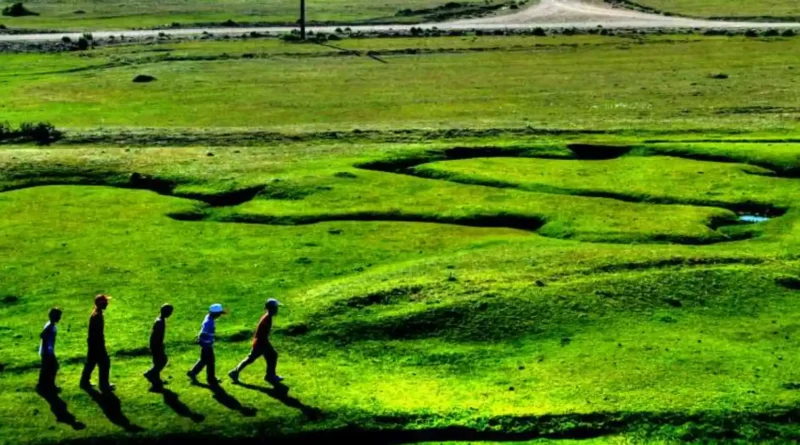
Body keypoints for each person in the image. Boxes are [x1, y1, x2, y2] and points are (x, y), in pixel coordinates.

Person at [228, 299, 283, 385]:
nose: (277, 310)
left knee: (266, 356)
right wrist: (266, 345)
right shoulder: (267, 318)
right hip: (261, 343)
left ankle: (270, 375)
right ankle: (270, 376)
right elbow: (262, 335)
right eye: (276, 308)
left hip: (261, 342)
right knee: (270, 355)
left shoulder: (268, 317)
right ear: (271, 308)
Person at [80, 294, 114, 392]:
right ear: (101, 304)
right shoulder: (97, 316)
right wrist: (101, 345)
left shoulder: (96, 313)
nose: (107, 303)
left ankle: (84, 382)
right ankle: (104, 385)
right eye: (105, 302)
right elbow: (98, 333)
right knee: (105, 363)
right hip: (97, 344)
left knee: (91, 363)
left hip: (93, 343)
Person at [187, 304, 226, 386]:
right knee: (211, 361)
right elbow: (203, 333)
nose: (220, 315)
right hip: (206, 345)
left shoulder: (209, 317)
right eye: (219, 313)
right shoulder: (209, 322)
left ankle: (192, 372)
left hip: (206, 343)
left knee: (204, 360)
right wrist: (204, 342)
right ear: (215, 314)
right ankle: (211, 379)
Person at [144, 304, 174, 388]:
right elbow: (155, 337)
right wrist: (158, 346)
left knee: (157, 362)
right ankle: (150, 373)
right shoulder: (160, 323)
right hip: (156, 345)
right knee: (163, 360)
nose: (171, 314)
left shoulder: (160, 320)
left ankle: (157, 381)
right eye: (170, 312)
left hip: (156, 345)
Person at [37, 307, 63, 394]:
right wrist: (48, 351)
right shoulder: (50, 326)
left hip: (47, 351)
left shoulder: (50, 324)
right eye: (58, 316)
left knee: (47, 368)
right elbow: (42, 335)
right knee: (53, 367)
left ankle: (42, 386)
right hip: (47, 352)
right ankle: (50, 386)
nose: (60, 318)